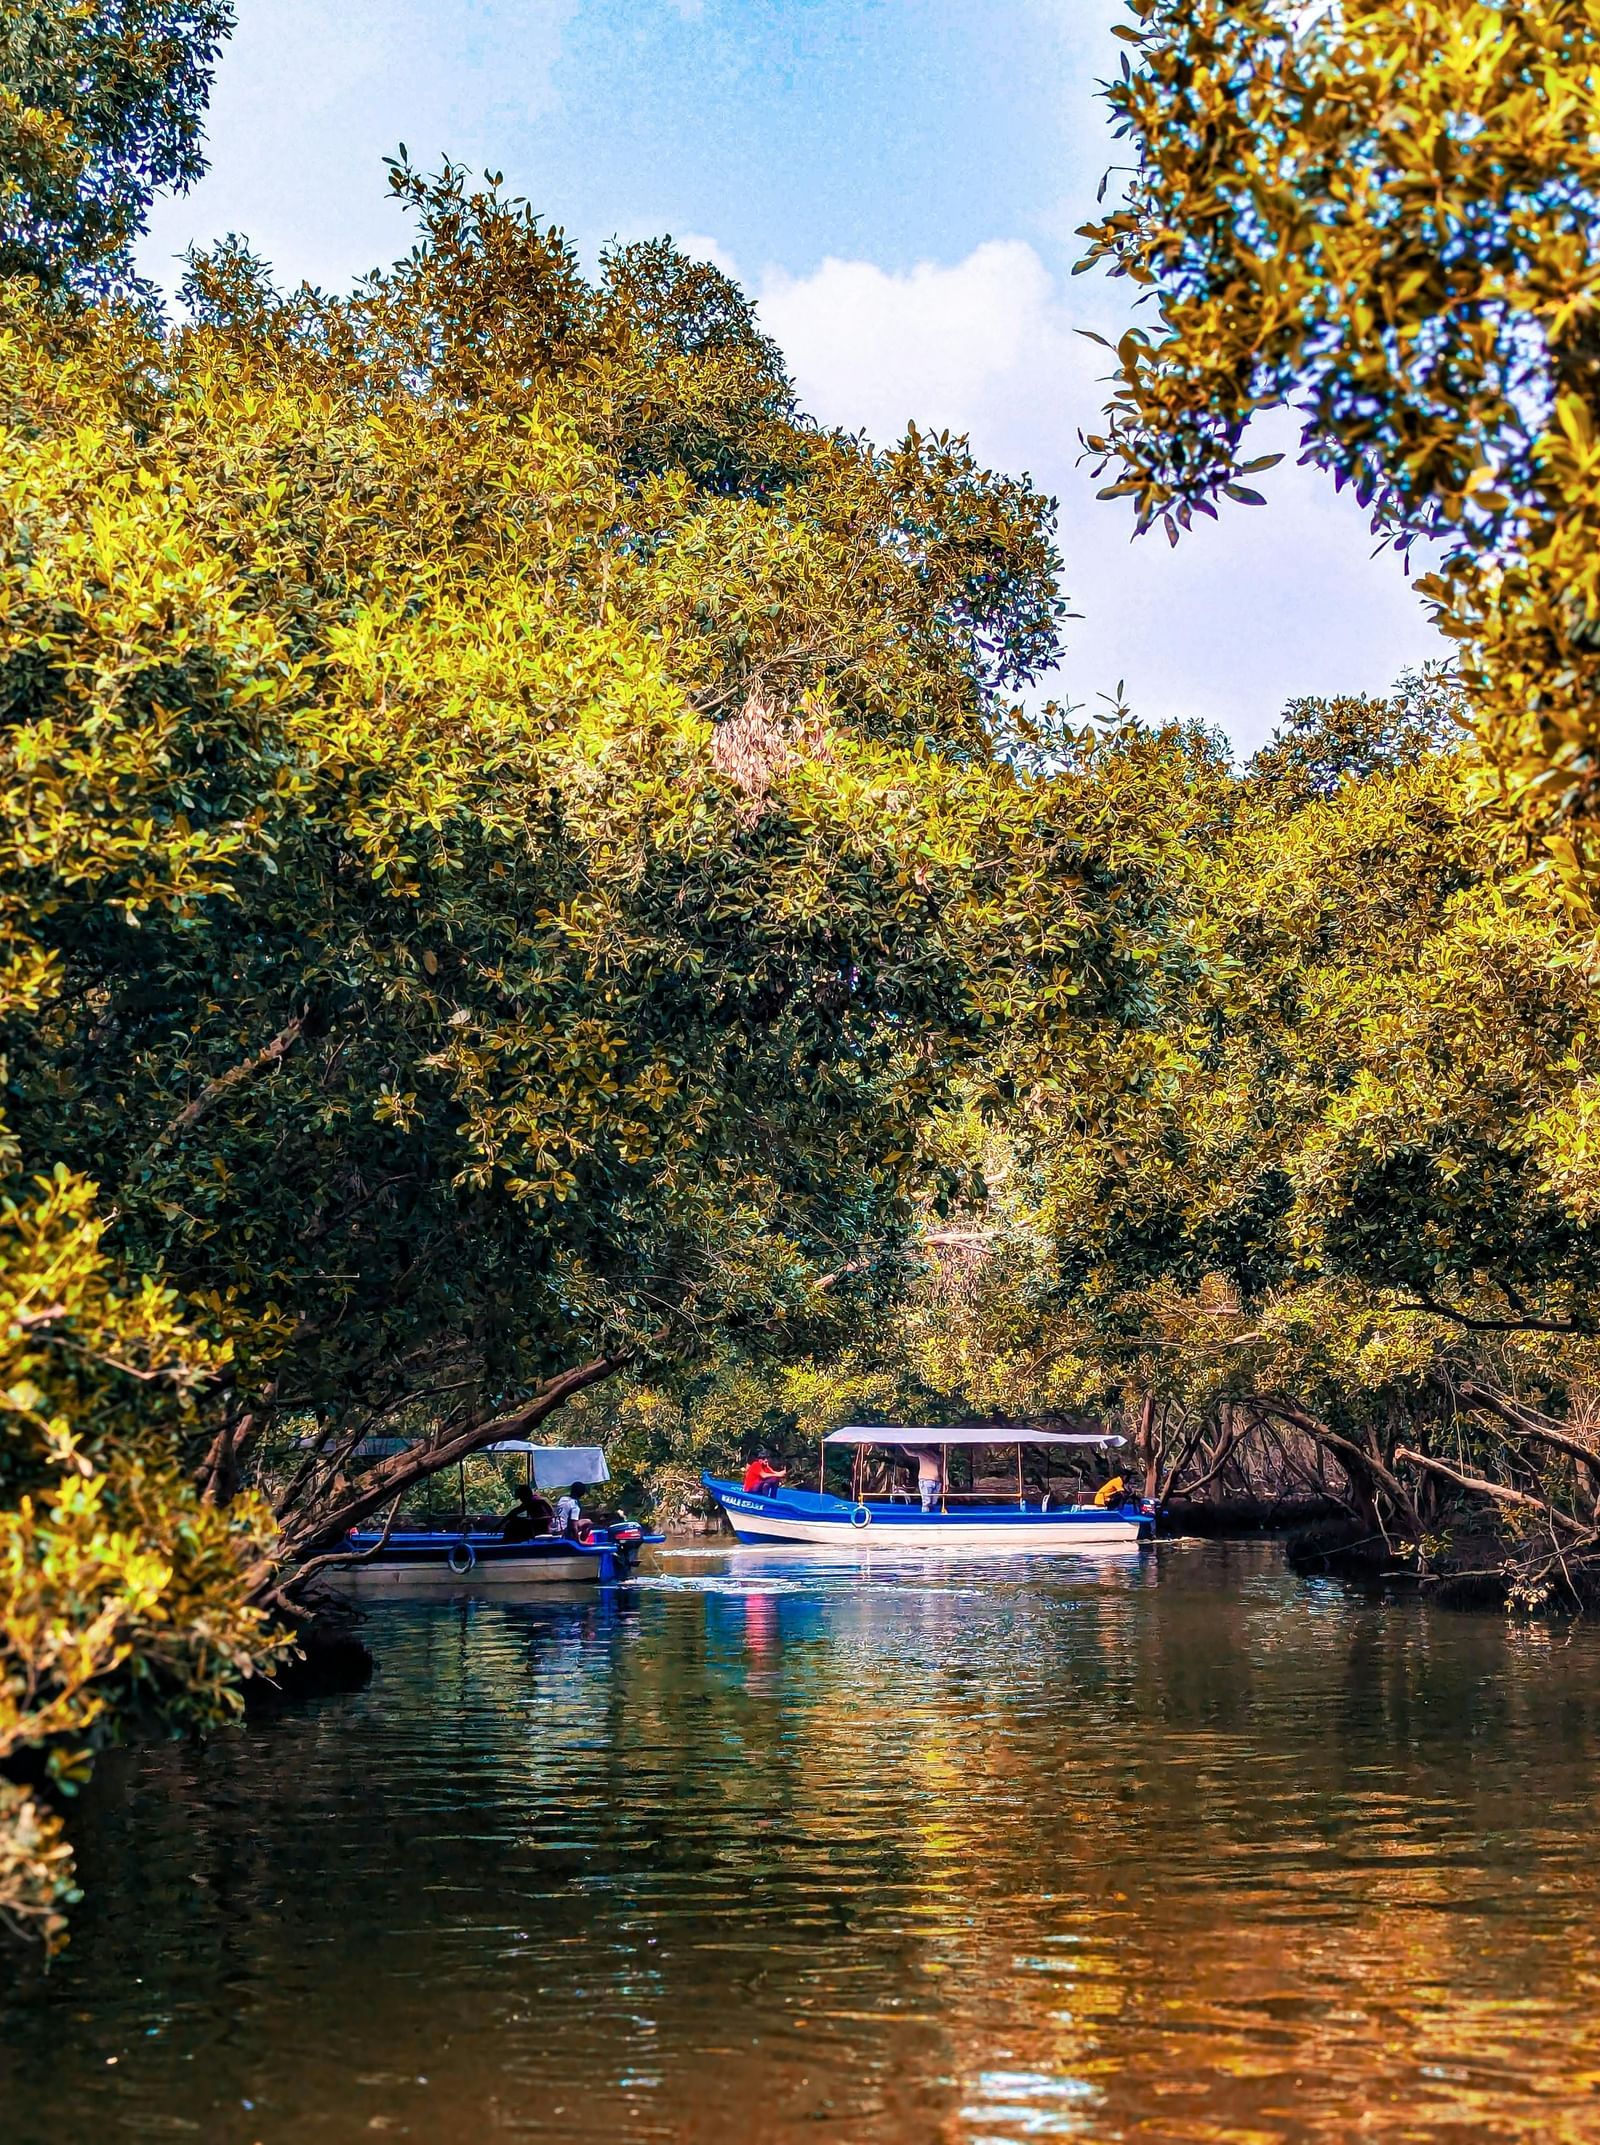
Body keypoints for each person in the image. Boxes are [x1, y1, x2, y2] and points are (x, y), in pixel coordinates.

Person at [905, 1445, 944, 1514]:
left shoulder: (939, 1455)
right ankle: (925, 1518)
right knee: (926, 1502)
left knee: (933, 1503)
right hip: (926, 1480)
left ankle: (932, 1520)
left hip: (937, 1481)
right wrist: (902, 1445)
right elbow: (910, 1452)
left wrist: (945, 1480)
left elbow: (942, 1468)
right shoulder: (923, 1452)